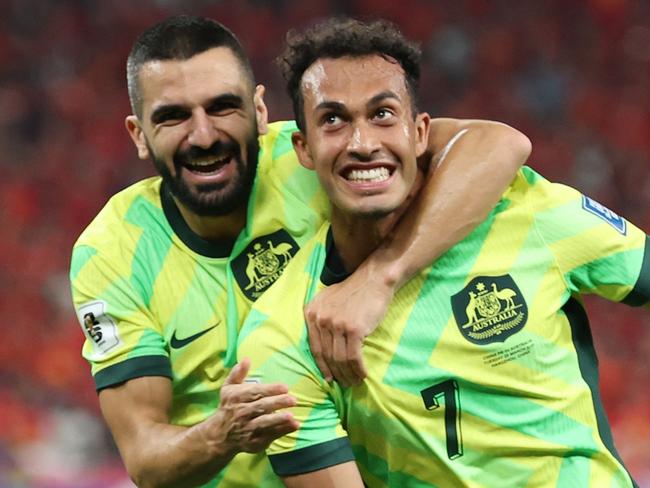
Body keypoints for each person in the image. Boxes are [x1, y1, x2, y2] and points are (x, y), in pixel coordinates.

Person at [69, 15, 531, 488]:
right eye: (173, 116)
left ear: (261, 111)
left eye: (223, 107)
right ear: (138, 134)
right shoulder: (112, 252)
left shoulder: (321, 158)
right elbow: (146, 459)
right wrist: (221, 434)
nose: (203, 135)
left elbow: (498, 144)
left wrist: (380, 277)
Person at [238, 17, 649, 488]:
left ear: (420, 133)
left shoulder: (523, 209)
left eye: (382, 114)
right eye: (333, 120)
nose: (363, 143)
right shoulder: (283, 335)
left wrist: (380, 277)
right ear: (303, 148)